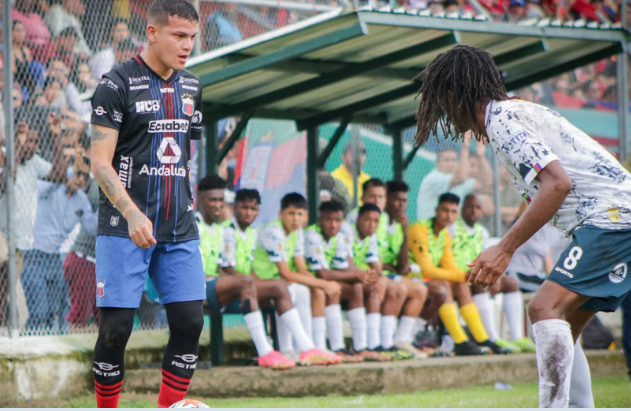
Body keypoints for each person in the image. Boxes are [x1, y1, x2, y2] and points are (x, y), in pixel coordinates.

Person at [413, 44, 631, 407]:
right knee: (566, 327)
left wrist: (504, 247)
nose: (445, 115)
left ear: (454, 95)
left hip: (611, 219)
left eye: (441, 102)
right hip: (615, 217)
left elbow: (558, 184)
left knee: (542, 308)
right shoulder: (516, 111)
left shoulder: (501, 120)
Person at [89, 1, 205, 407]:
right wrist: (132, 211)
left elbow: (187, 157)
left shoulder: (193, 85)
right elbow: (99, 162)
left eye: (192, 36)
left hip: (179, 228)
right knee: (116, 330)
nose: (187, 45)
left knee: (190, 323)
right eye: (179, 35)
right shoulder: (116, 84)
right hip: (126, 226)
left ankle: (167, 408)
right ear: (153, 33)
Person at [196, 177, 296, 370]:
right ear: (200, 201)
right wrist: (233, 279)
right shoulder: (193, 225)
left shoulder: (218, 229)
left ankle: (301, 348)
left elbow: (219, 267)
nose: (217, 205)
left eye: (220, 200)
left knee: (278, 287)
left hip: (213, 286)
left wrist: (231, 279)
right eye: (212, 200)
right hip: (193, 288)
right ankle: (265, 352)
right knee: (246, 283)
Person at [252, 192, 342, 365]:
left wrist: (318, 286)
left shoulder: (297, 232)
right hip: (262, 281)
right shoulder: (273, 231)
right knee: (289, 292)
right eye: (291, 213)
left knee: (305, 291)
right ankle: (287, 350)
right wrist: (323, 283)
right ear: (281, 214)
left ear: (305, 216)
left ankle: (310, 348)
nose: (295, 219)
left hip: (280, 281)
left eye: (300, 214)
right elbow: (286, 272)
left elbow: (301, 268)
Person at [409, 193, 504, 355]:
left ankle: (481, 338)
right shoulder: (419, 229)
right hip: (412, 277)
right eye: (445, 210)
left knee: (460, 284)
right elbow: (427, 270)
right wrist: (463, 275)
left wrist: (465, 276)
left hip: (427, 279)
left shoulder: (444, 234)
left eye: (453, 212)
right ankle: (460, 340)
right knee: (447, 283)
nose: (448, 216)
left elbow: (449, 265)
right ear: (436, 210)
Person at [448, 194, 535, 353]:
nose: (474, 211)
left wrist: (493, 277)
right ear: (462, 210)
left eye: (478, 207)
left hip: (477, 275)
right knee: (480, 283)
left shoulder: (482, 231)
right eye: (469, 207)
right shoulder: (453, 228)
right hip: (460, 276)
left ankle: (517, 338)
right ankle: (492, 339)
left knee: (510, 283)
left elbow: (488, 259)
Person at [304, 200, 389, 362]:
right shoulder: (311, 235)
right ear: (320, 220)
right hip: (310, 283)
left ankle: (361, 347)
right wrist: (358, 275)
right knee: (335, 288)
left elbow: (343, 268)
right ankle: (335, 348)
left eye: (338, 220)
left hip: (326, 282)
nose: (334, 225)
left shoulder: (339, 237)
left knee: (356, 288)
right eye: (329, 220)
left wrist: (369, 278)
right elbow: (321, 273)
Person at [22, 155, 97, 332]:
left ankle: (46, 349)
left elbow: (92, 227)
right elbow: (53, 175)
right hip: (35, 256)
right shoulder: (50, 188)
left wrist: (107, 203)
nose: (81, 179)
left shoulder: (81, 200)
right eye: (78, 173)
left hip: (56, 259)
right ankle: (33, 347)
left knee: (52, 313)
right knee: (38, 312)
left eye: (86, 176)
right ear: (68, 170)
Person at [349, 203, 414, 361]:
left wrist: (382, 278)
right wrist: (370, 277)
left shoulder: (371, 236)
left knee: (389, 287)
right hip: (349, 277)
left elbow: (374, 264)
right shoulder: (347, 233)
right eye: (367, 220)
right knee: (373, 287)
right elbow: (347, 264)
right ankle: (366, 346)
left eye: (376, 221)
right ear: (358, 219)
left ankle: (384, 344)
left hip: (362, 276)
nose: (371, 225)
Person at [382, 180, 437, 358]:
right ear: (387, 198)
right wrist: (390, 267)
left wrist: (405, 232)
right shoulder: (378, 220)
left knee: (425, 290)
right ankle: (387, 342)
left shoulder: (401, 225)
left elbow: (403, 265)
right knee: (402, 288)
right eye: (397, 200)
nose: (401, 205)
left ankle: (403, 338)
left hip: (393, 274)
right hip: (377, 274)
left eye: (404, 201)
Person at [63, 155, 100, 329]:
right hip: (83, 258)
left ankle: (97, 354)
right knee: (80, 316)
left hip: (101, 262)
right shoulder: (97, 184)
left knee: (102, 316)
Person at [416, 138, 491, 221]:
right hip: (428, 230)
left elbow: (487, 182)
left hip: (449, 231)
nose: (450, 164)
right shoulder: (433, 178)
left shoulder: (456, 180)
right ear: (437, 164)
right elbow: (461, 178)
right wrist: (465, 145)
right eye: (446, 160)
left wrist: (480, 155)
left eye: (453, 160)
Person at [331, 140, 371, 204]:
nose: (358, 158)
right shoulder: (334, 177)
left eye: (362, 154)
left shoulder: (368, 179)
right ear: (343, 157)